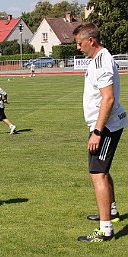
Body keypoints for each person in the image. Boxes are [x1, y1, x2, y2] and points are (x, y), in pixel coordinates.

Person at [73, 23, 128, 242]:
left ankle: (105, 230)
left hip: (106, 126)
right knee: (102, 170)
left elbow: (109, 98)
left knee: (98, 173)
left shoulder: (102, 61)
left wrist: (97, 131)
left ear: (91, 41)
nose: (78, 47)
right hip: (104, 125)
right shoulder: (98, 59)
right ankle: (111, 211)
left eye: (79, 43)